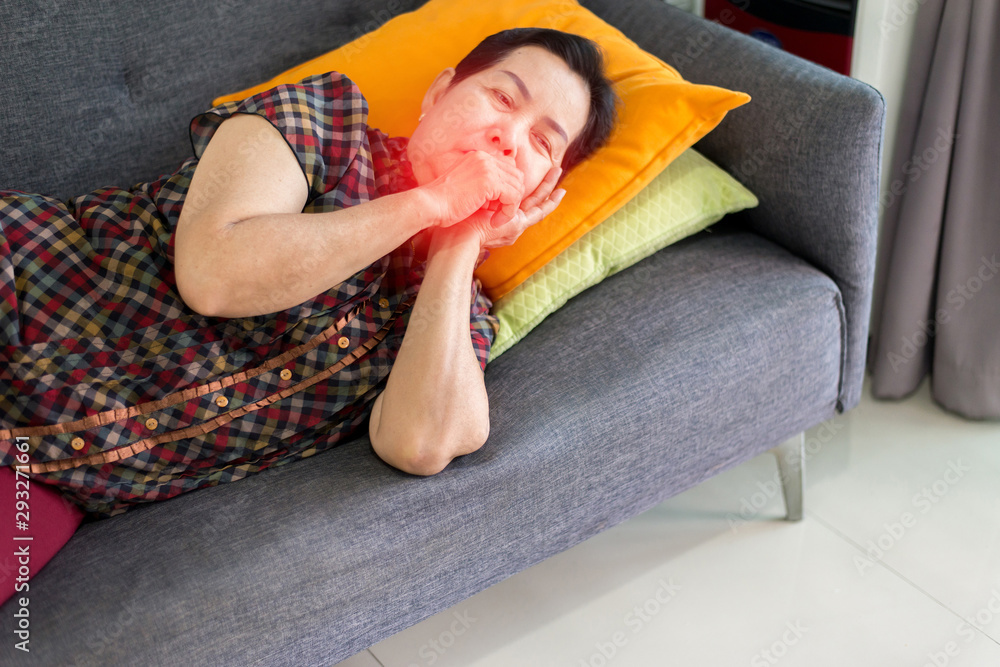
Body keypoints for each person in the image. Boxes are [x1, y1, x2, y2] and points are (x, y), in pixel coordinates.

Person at [0, 27, 618, 525]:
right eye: (502, 98)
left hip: (44, 472)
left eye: (542, 142)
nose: (506, 137)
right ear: (440, 93)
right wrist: (432, 203)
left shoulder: (456, 316)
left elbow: (421, 444)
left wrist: (459, 239)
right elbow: (214, 274)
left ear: (545, 188)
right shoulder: (324, 121)